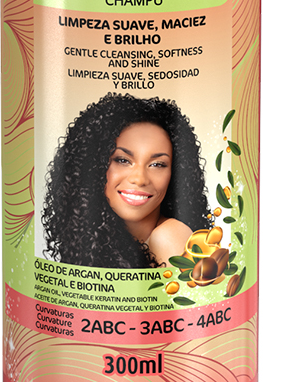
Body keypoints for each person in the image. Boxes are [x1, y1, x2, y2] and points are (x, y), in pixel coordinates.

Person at [41, 93, 212, 269]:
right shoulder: (96, 240)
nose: (139, 179)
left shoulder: (169, 236)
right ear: (93, 165)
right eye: (122, 160)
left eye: (157, 164)